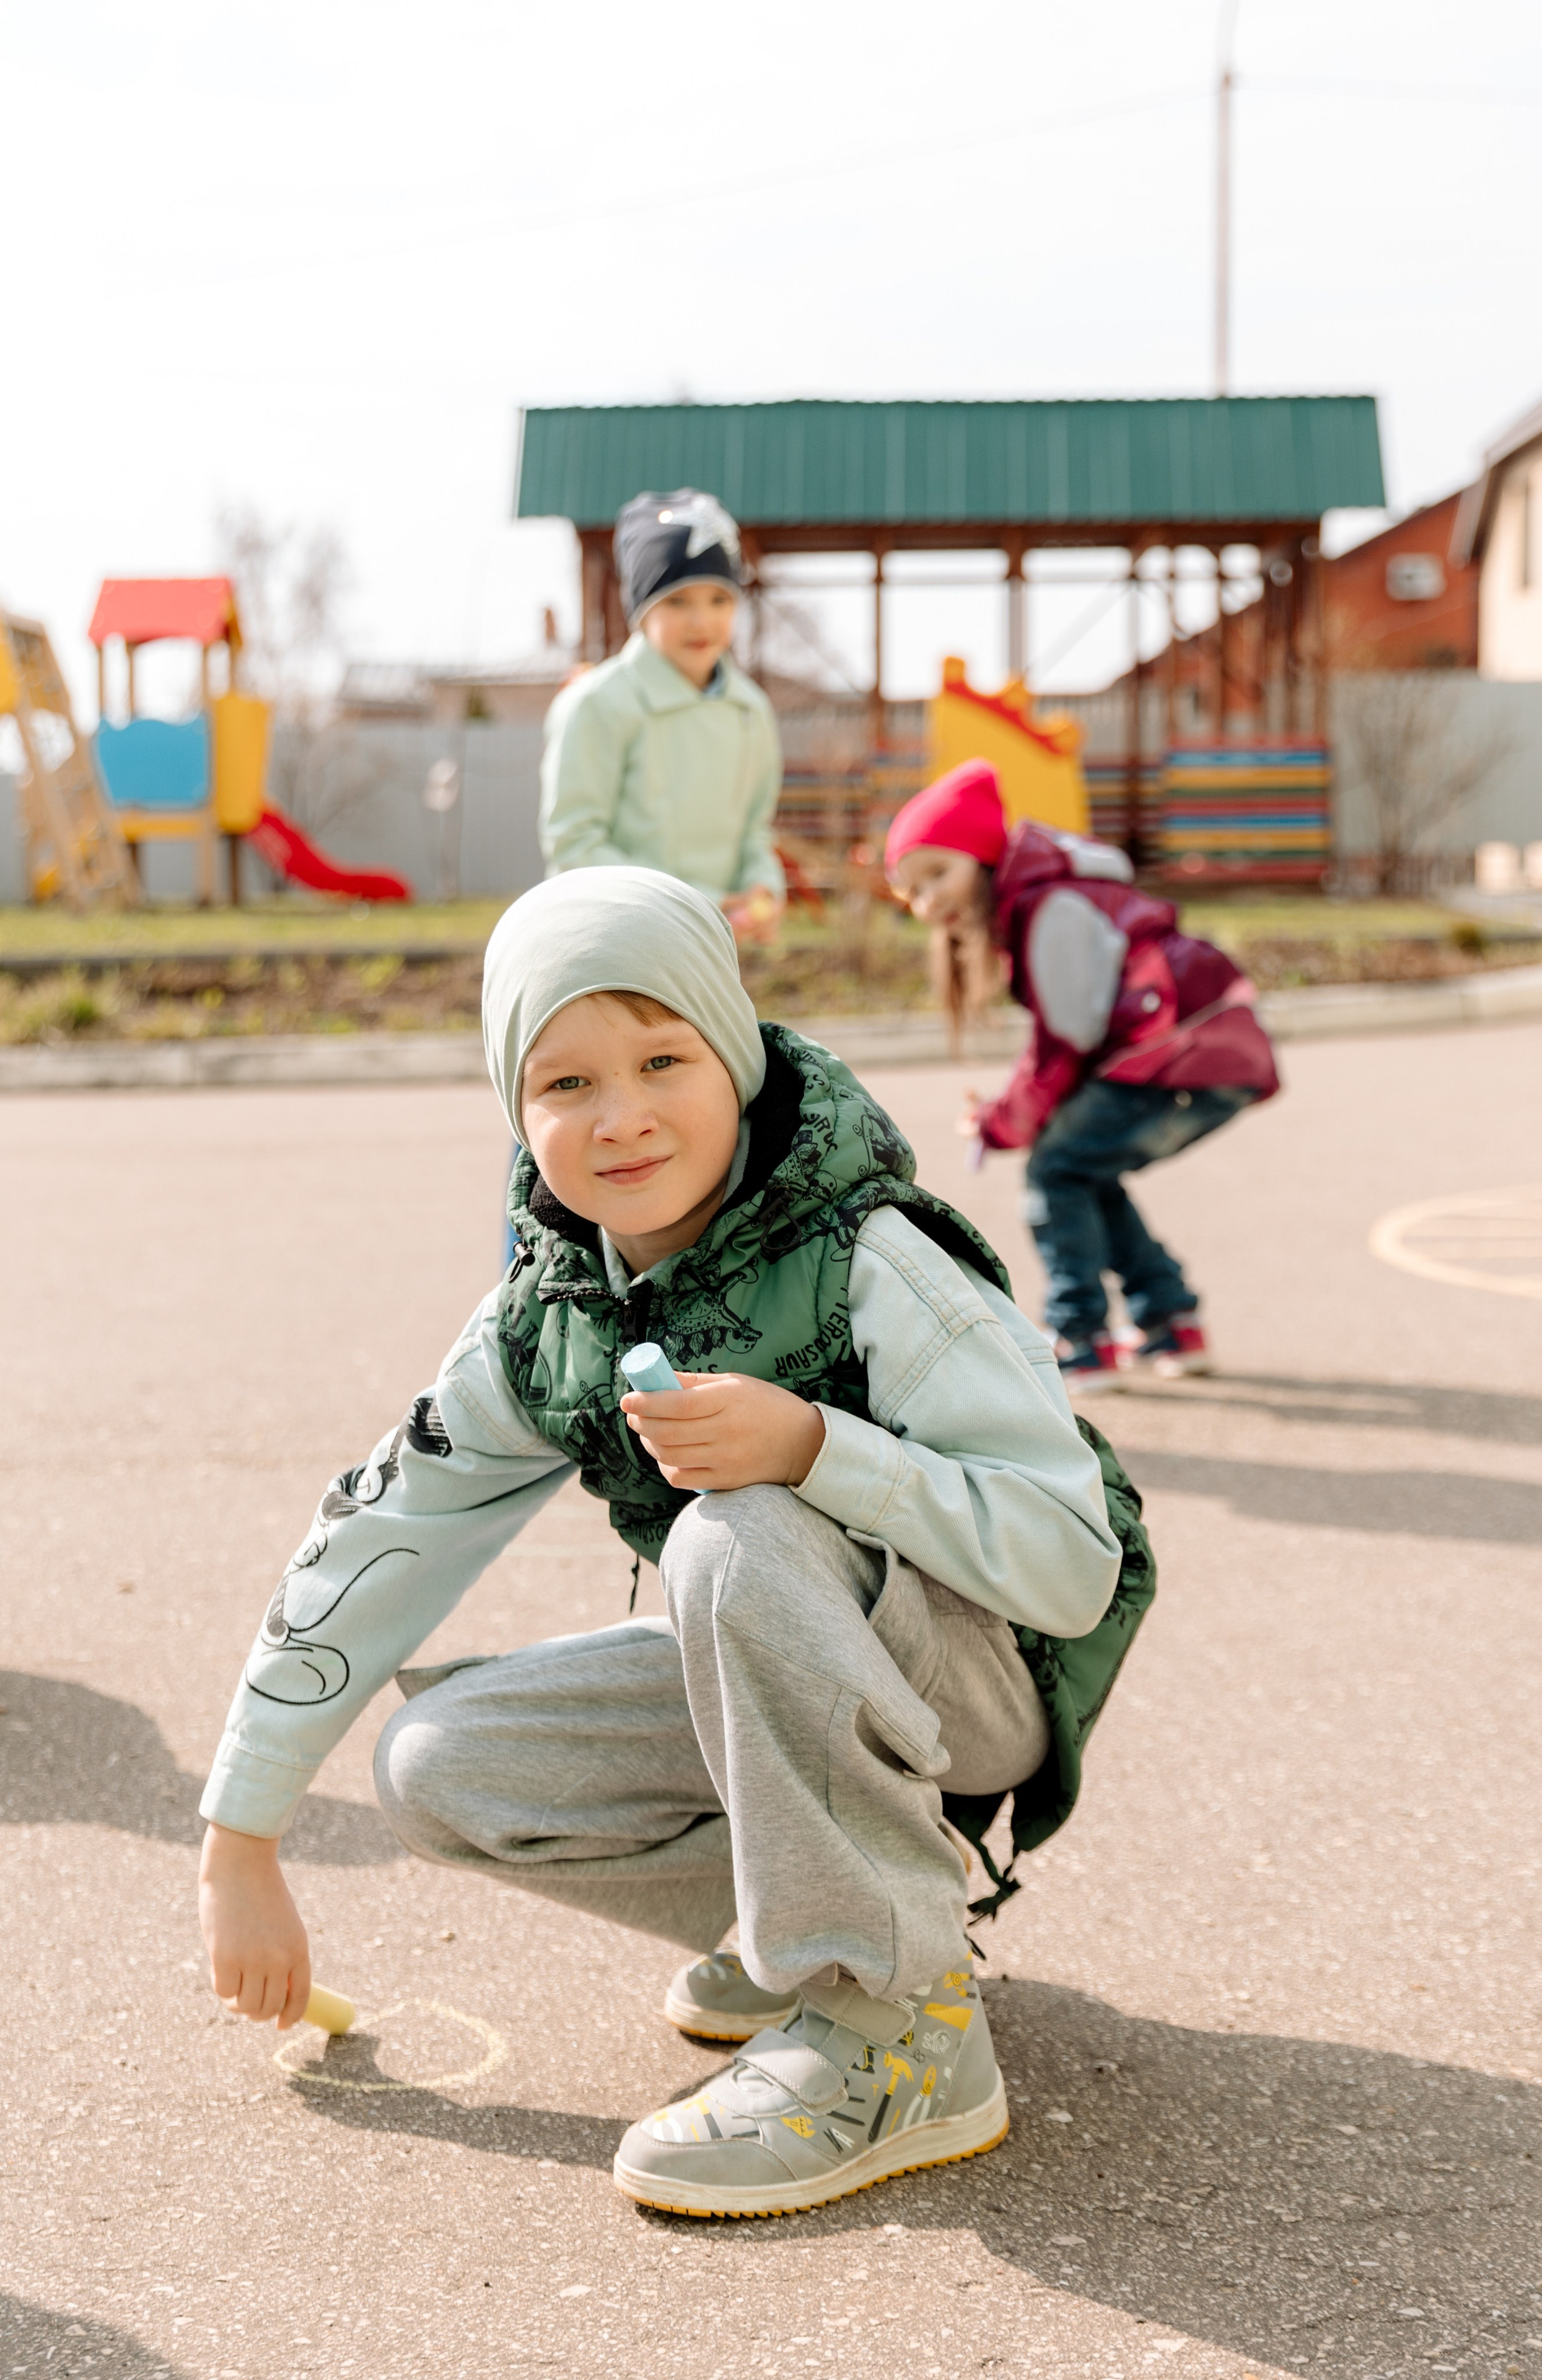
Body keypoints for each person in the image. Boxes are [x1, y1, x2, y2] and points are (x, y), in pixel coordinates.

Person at [197, 866, 1155, 2221]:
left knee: (737, 1534)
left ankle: (892, 2026)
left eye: (662, 1057)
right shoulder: (552, 1314)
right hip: (800, 1657)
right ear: (514, 1111)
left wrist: (819, 1449)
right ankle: (840, 1925)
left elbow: (1070, 1564)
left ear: (740, 1058)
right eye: (565, 1084)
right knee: (442, 1763)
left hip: (984, 1679)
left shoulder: (868, 1258)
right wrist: (241, 1837)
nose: (622, 1116)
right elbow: (377, 1535)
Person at [886, 760, 1279, 1391]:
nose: (928, 899)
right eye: (911, 890)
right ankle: (1171, 1321)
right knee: (1083, 1168)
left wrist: (1001, 1120)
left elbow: (1066, 1038)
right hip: (1201, 1051)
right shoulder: (1051, 896)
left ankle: (1082, 1338)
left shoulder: (1051, 905)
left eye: (939, 872)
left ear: (986, 858)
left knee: (1055, 1169)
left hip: (1178, 1055)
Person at [538, 487, 786, 948]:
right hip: (619, 948)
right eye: (677, 601)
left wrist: (762, 886)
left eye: (719, 599)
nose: (701, 621)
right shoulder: (597, 704)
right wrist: (699, 904)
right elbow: (575, 845)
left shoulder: (751, 710)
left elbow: (755, 829)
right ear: (642, 610)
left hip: (718, 947)